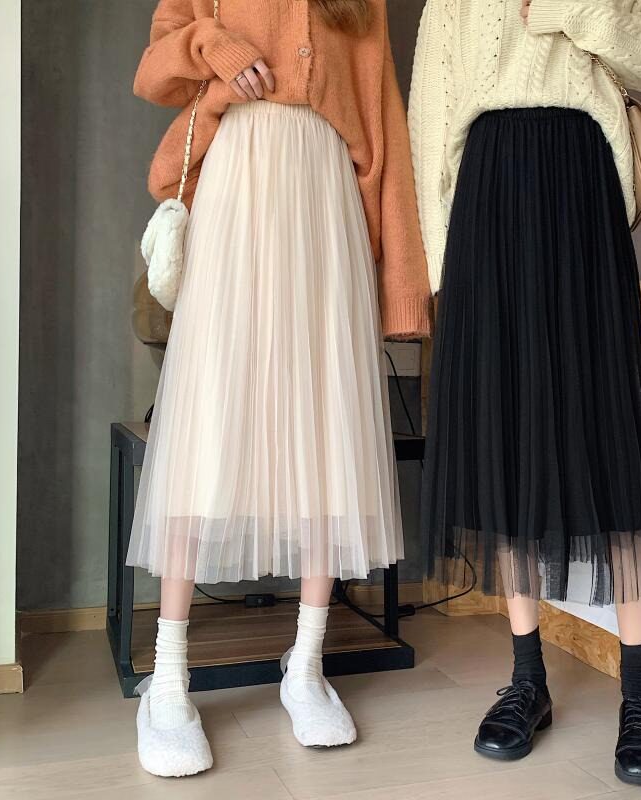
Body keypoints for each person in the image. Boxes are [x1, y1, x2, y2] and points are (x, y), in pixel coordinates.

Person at [128, 0, 431, 777]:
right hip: (237, 183)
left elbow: (383, 126)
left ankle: (307, 663)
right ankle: (169, 681)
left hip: (327, 199)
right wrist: (214, 46)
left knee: (329, 426)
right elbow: (156, 68)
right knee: (207, 418)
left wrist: (400, 287)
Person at [410, 0, 641, 787]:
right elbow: (431, 122)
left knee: (607, 425)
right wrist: (441, 277)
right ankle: (527, 678)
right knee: (508, 431)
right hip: (485, 196)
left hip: (582, 183)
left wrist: (575, 8)